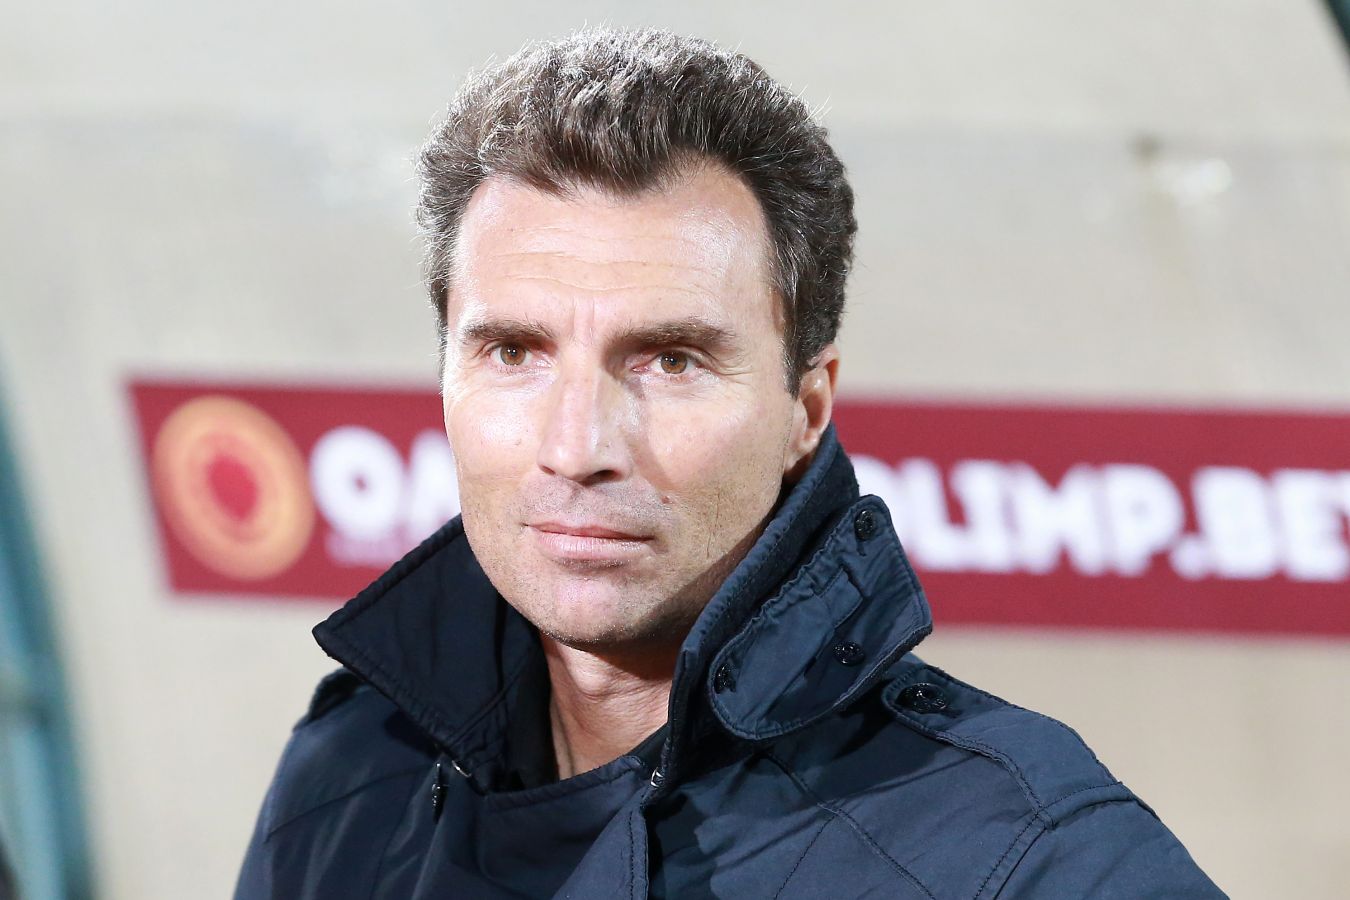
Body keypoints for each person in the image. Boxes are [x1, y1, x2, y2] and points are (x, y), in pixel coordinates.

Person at [235, 28, 1224, 899]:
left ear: (806, 409)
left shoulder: (1031, 860)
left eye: (671, 361)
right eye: (515, 353)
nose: (577, 448)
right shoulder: (347, 779)